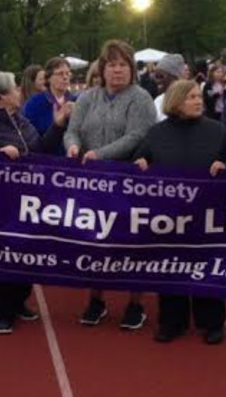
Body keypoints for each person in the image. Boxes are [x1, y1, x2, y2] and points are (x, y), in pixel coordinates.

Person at [134, 79, 226, 344]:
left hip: (207, 215)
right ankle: (172, 322)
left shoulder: (217, 131)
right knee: (170, 268)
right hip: (169, 217)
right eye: (191, 97)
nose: (198, 101)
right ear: (175, 102)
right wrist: (140, 163)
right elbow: (139, 161)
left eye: (198, 96)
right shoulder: (156, 133)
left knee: (207, 267)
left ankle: (212, 323)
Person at [64, 38, 157, 329]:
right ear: (102, 69)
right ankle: (96, 299)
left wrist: (99, 155)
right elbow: (72, 130)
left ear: (132, 69)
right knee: (95, 241)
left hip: (129, 181)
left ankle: (135, 303)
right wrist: (73, 146)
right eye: (112, 65)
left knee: (131, 243)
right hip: (92, 182)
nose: (117, 71)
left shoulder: (140, 98)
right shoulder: (88, 97)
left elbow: (136, 136)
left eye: (123, 65)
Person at [0, 71, 67, 333]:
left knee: (26, 252)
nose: (19, 92)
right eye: (14, 88)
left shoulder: (21, 120)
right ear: (2, 96)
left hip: (29, 200)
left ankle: (20, 300)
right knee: (2, 255)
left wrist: (57, 126)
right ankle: (1, 311)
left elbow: (41, 151)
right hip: (0, 201)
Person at [23, 56, 76, 153]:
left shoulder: (77, 101)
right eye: (60, 74)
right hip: (45, 161)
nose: (65, 77)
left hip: (73, 161)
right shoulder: (33, 104)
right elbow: (32, 143)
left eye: (68, 73)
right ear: (48, 78)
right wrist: (56, 126)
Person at [151, 53, 187, 120]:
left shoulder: (189, 100)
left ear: (175, 78)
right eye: (155, 76)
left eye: (160, 76)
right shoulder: (158, 101)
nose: (156, 80)